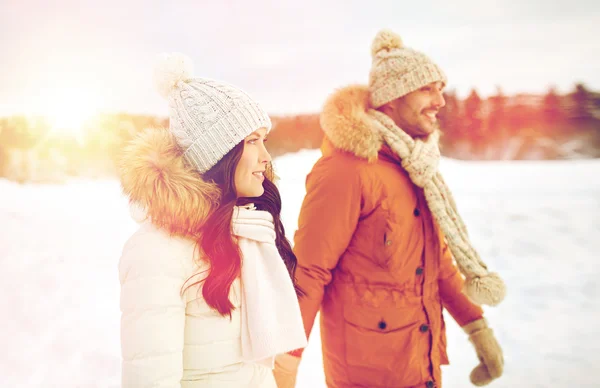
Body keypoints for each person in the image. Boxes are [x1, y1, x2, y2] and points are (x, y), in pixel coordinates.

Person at [273, 30, 506, 388]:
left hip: (422, 366)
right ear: (392, 98)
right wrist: (285, 365)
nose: (440, 101)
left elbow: (437, 262)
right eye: (427, 89)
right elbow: (309, 271)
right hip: (366, 375)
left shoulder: (415, 167)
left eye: (441, 89)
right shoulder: (346, 170)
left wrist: (478, 329)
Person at [118, 53, 307, 387]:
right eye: (252, 141)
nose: (266, 156)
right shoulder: (156, 252)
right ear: (218, 155)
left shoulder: (250, 232)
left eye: (265, 140)